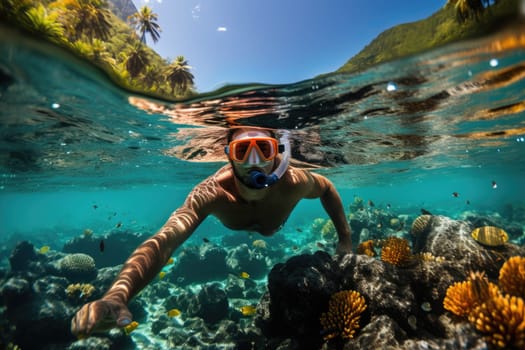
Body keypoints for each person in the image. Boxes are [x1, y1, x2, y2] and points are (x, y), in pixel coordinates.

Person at [71, 126, 353, 337]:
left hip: (273, 227)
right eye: (242, 151)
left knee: (269, 231)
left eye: (263, 149)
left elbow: (327, 187)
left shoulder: (293, 182)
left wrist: (345, 239)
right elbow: (164, 242)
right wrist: (117, 295)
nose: (254, 161)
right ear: (229, 157)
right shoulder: (211, 193)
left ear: (277, 155)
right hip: (258, 220)